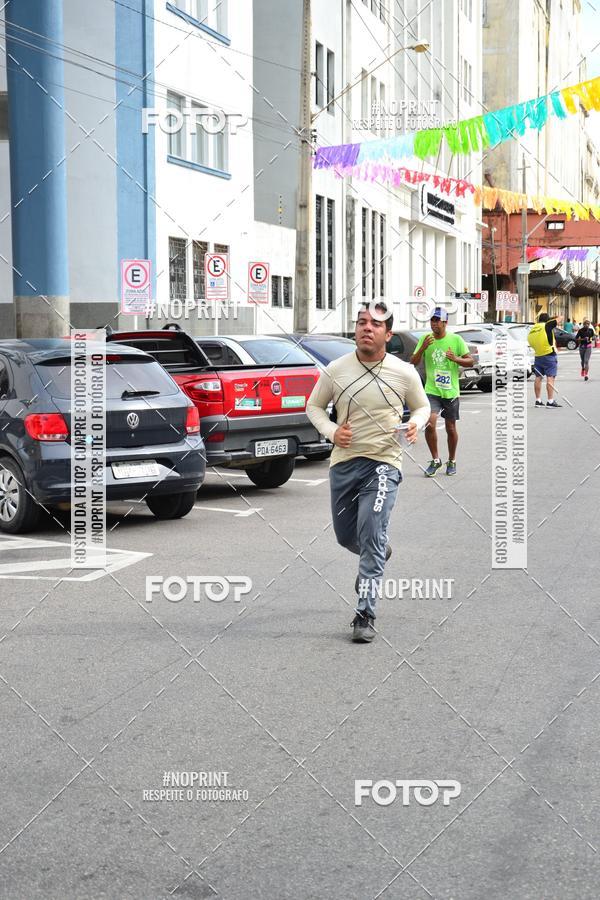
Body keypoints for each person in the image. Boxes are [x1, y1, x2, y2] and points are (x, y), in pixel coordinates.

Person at [306, 301, 430, 643]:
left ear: (387, 335)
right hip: (344, 463)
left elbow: (421, 406)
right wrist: (332, 432)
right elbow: (314, 407)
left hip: (384, 463)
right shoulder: (336, 369)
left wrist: (414, 424)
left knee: (372, 531)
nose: (366, 328)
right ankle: (377, 550)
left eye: (375, 324)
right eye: (361, 322)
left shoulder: (402, 372)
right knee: (347, 537)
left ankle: (365, 613)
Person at [410, 307, 474, 478]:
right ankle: (435, 460)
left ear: (445, 322)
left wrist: (455, 359)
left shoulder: (456, 339)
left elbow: (471, 362)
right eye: (432, 320)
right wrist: (422, 348)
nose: (434, 323)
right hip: (432, 390)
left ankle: (452, 460)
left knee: (450, 428)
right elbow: (413, 362)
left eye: (437, 320)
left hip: (450, 391)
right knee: (430, 423)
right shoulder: (425, 339)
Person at [527, 312, 564, 407]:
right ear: (547, 320)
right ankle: (550, 401)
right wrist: (556, 316)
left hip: (538, 356)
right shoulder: (547, 325)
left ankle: (538, 401)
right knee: (550, 378)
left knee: (538, 378)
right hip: (549, 355)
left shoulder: (533, 328)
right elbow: (560, 318)